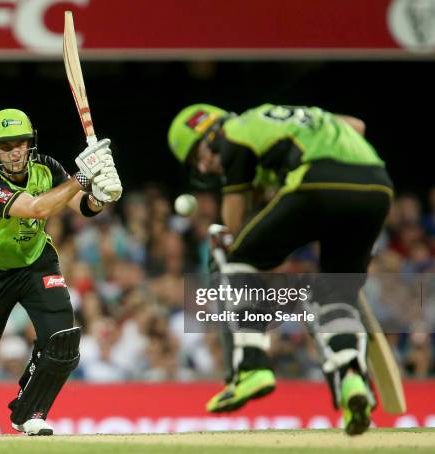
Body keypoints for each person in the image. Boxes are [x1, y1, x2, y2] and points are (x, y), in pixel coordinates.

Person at [168, 103, 393, 435]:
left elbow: (236, 223)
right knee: (335, 293)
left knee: (234, 254)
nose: (204, 165)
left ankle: (251, 366)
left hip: (316, 184)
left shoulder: (231, 134)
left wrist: (230, 239)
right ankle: (352, 380)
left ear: (208, 134)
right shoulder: (278, 119)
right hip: (377, 187)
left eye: (198, 156)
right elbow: (356, 124)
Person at [0, 108, 122, 435]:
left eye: (20, 143)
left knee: (62, 342)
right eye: (5, 145)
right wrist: (83, 177)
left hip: (37, 263)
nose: (14, 151)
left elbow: (81, 206)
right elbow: (36, 207)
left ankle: (29, 413)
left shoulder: (46, 167)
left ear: (30, 143)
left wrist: (100, 195)